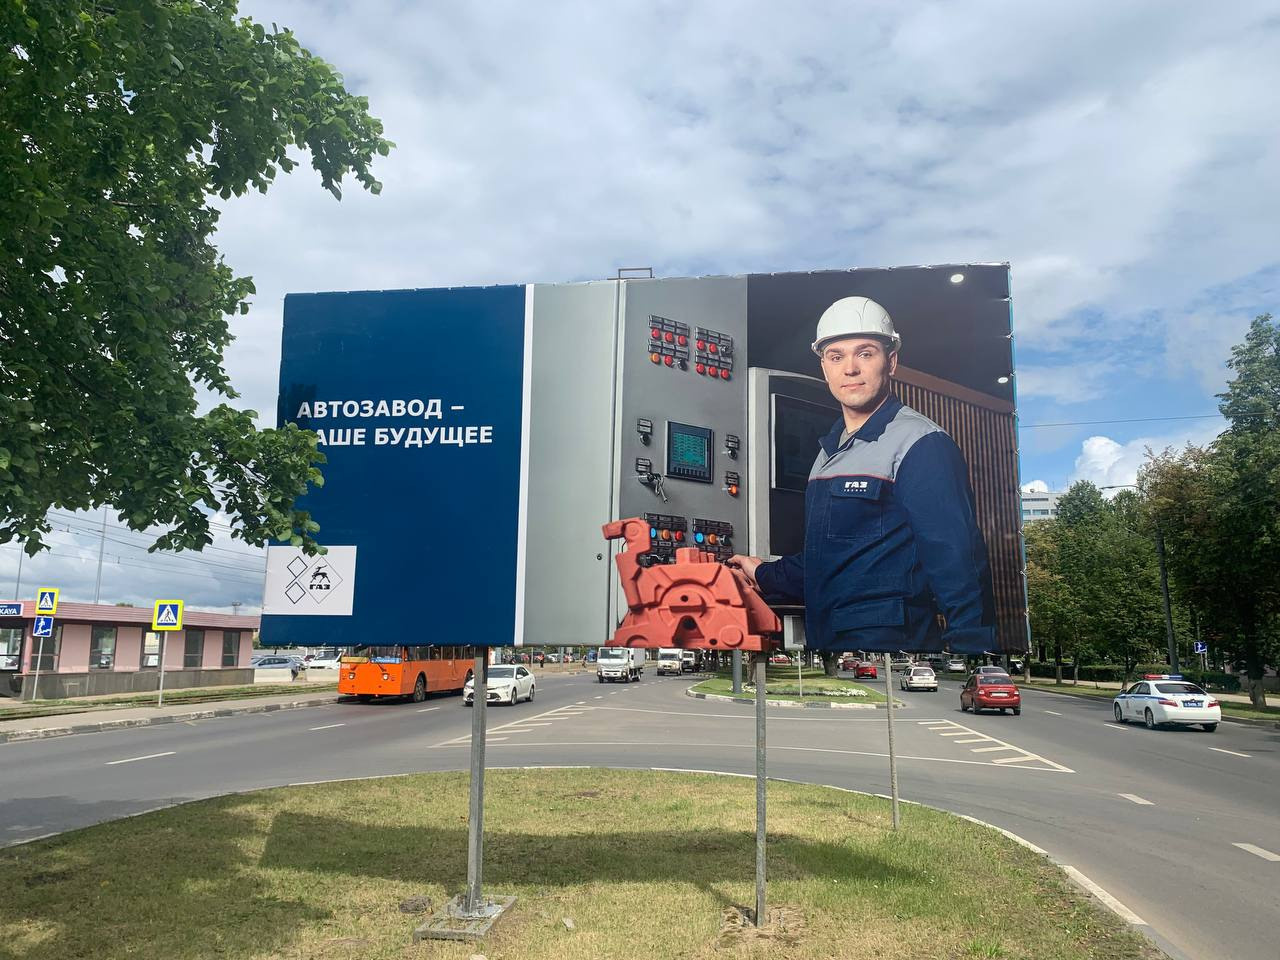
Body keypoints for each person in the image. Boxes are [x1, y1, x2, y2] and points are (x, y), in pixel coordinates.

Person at [729, 295, 997, 656]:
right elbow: (828, 558)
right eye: (836, 356)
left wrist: (976, 658)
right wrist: (762, 573)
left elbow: (958, 563)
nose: (850, 369)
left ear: (891, 361)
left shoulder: (921, 443)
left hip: (894, 650)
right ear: (824, 368)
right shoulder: (829, 453)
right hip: (831, 646)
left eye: (865, 353)